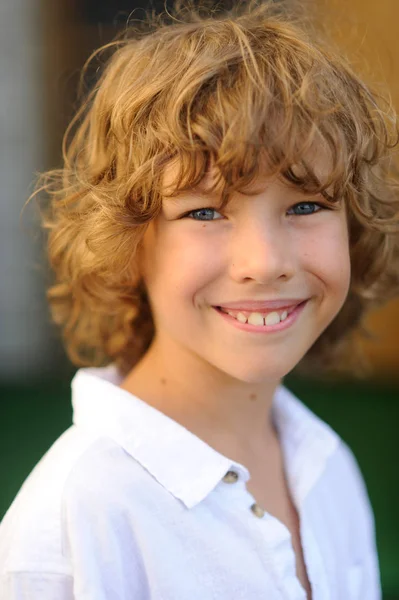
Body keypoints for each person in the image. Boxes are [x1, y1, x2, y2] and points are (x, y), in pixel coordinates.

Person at [1, 0, 399, 598]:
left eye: (307, 205)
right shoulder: (74, 522)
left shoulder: (328, 466)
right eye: (205, 211)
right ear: (128, 242)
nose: (265, 262)